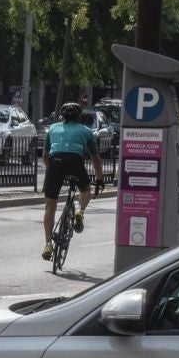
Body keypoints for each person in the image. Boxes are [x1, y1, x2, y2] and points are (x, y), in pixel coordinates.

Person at [42, 100, 103, 260]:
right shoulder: (86, 131)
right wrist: (99, 179)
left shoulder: (53, 128)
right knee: (86, 190)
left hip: (55, 162)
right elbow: (95, 159)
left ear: (62, 116)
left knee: (50, 205)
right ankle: (79, 211)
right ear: (80, 116)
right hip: (75, 161)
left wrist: (52, 173)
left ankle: (48, 244)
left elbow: (45, 156)